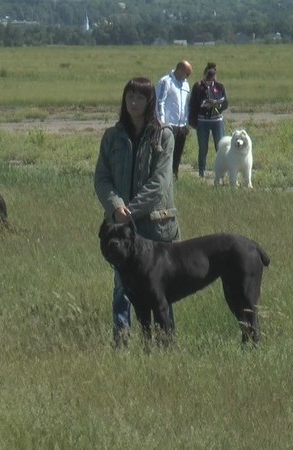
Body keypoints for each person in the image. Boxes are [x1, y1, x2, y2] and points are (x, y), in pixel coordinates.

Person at [94, 77, 180, 347]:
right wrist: (115, 205)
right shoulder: (112, 136)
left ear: (150, 101)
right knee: (123, 288)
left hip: (156, 227)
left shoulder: (163, 135)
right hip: (121, 230)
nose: (133, 102)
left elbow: (160, 181)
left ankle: (165, 343)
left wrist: (130, 210)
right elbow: (102, 178)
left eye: (140, 97)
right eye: (129, 96)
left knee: (160, 291)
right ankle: (121, 342)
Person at [189, 62, 228, 178]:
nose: (210, 79)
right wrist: (193, 121)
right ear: (204, 74)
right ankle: (202, 171)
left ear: (216, 75)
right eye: (208, 76)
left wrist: (218, 106)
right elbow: (193, 104)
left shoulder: (220, 86)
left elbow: (225, 103)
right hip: (202, 121)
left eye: (213, 76)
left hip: (217, 120)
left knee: (221, 147)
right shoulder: (198, 86)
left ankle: (222, 172)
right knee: (203, 147)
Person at [155, 60, 193, 179]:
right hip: (168, 124)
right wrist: (161, 122)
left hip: (181, 125)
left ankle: (174, 175)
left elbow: (187, 104)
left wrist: (187, 123)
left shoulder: (185, 84)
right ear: (180, 69)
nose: (187, 77)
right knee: (167, 153)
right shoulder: (166, 81)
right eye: (186, 74)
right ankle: (163, 176)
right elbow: (159, 102)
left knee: (178, 152)